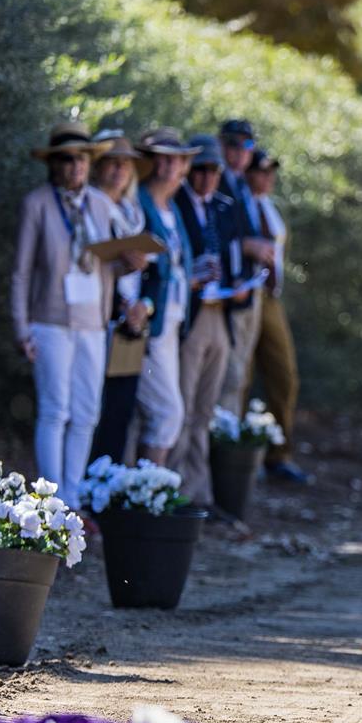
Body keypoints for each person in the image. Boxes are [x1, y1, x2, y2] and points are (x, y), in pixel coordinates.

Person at [10, 121, 118, 500]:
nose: (76, 166)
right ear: (54, 164)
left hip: (92, 322)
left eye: (83, 159)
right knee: (55, 410)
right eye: (68, 159)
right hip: (50, 320)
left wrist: (132, 262)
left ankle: (72, 497)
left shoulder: (102, 205)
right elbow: (22, 271)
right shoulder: (37, 204)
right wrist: (21, 328)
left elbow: (109, 262)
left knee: (87, 412)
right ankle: (50, 499)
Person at [171, 134, 248, 507]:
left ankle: (198, 492)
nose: (206, 177)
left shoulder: (224, 206)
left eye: (213, 170)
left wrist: (239, 285)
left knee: (206, 407)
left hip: (221, 313)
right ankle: (176, 486)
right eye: (199, 169)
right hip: (193, 314)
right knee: (182, 405)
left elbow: (237, 255)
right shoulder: (176, 204)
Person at [132, 128, 201, 468]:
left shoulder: (172, 208)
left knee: (167, 413)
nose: (169, 165)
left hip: (171, 323)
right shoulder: (139, 203)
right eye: (160, 157)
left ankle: (146, 493)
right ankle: (146, 493)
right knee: (167, 412)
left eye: (176, 159)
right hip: (147, 325)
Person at [87, 130, 153, 467]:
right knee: (94, 408)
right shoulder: (89, 206)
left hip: (132, 322)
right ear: (98, 168)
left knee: (121, 408)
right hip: (100, 317)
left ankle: (107, 485)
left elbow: (153, 272)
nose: (118, 171)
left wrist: (144, 307)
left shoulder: (133, 212)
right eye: (111, 163)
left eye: (125, 164)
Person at [245, 150, 309, 483]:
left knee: (284, 375)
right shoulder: (241, 203)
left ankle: (278, 454)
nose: (267, 177)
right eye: (261, 170)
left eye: (271, 171)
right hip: (247, 294)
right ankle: (240, 456)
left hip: (271, 298)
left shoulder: (268, 205)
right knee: (241, 378)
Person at [216, 118, 277, 414]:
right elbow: (215, 236)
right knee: (226, 376)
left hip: (250, 289)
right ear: (221, 145)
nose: (240, 151)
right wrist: (246, 245)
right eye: (233, 144)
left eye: (247, 145)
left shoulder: (243, 185)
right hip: (227, 294)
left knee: (239, 375)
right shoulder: (217, 181)